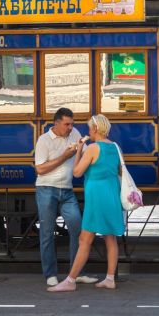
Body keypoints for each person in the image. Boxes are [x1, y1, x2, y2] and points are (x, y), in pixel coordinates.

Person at [48, 114, 125, 292]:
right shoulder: (115, 147)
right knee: (110, 237)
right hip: (112, 195)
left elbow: (76, 172)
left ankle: (70, 281)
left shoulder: (92, 148)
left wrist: (79, 150)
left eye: (90, 128)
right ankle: (110, 279)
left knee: (84, 239)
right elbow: (119, 171)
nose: (88, 131)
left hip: (97, 198)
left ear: (96, 129)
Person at [34, 108, 97, 287]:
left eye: (72, 124)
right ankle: (50, 274)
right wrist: (65, 156)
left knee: (78, 229)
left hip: (67, 190)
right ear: (56, 123)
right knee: (47, 233)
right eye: (67, 124)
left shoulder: (74, 133)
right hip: (46, 189)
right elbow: (40, 169)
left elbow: (84, 155)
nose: (70, 128)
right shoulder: (44, 140)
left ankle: (76, 273)